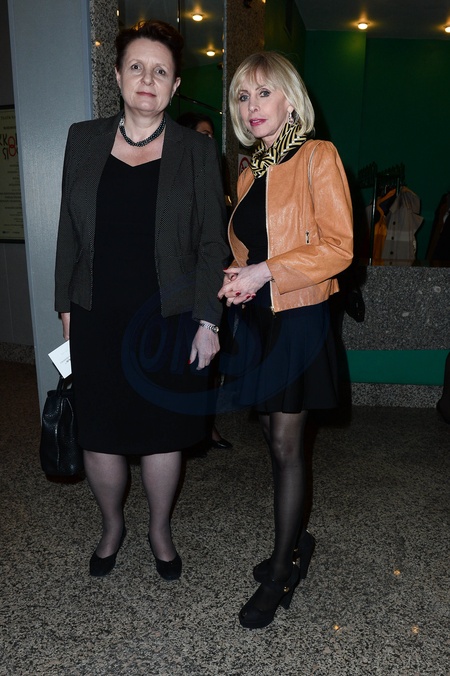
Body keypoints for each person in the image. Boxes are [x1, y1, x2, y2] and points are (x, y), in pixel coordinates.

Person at [54, 19, 229, 580]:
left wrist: (208, 321)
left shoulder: (197, 151)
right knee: (100, 432)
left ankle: (159, 528)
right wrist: (65, 308)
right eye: (136, 67)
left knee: (160, 435)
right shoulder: (83, 139)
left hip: (167, 318)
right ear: (117, 75)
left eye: (160, 71)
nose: (147, 79)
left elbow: (212, 242)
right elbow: (68, 233)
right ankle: (112, 526)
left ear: (174, 86)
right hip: (95, 313)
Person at [218, 52, 353, 628]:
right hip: (261, 321)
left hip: (298, 317)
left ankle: (280, 572)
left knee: (286, 444)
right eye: (243, 97)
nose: (253, 107)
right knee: (273, 444)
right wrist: (238, 274)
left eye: (265, 93)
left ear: (291, 101)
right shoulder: (251, 171)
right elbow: (252, 244)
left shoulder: (318, 156)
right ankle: (295, 542)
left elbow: (339, 247)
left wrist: (265, 272)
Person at [176, 110, 233, 451]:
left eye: (211, 135)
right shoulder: (174, 176)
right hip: (183, 288)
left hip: (217, 283)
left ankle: (205, 427)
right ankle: (188, 429)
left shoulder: (215, 175)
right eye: (202, 134)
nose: (208, 141)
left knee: (210, 363)